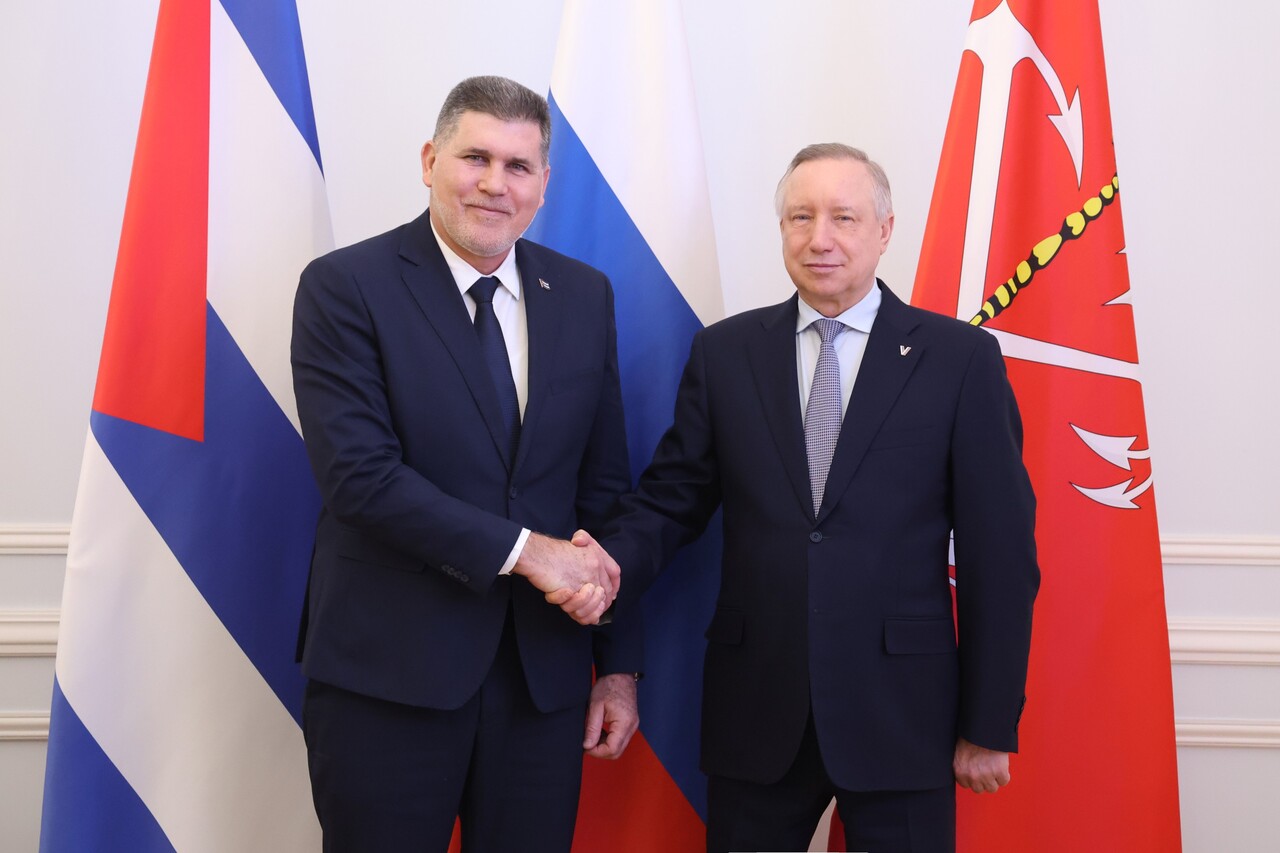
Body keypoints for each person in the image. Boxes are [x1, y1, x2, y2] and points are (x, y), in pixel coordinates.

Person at [596, 144, 1039, 852]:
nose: (819, 238)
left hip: (904, 716)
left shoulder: (959, 360)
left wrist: (988, 722)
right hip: (756, 709)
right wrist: (595, 563)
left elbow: (1001, 555)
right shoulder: (726, 353)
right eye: (800, 217)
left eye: (843, 217)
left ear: (885, 230)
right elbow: (671, 502)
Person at [291, 75, 641, 853]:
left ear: (543, 184)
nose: (494, 183)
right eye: (474, 157)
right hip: (388, 679)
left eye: (518, 166)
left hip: (542, 684)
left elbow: (604, 488)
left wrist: (617, 666)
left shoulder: (583, 295)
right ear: (430, 161)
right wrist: (530, 552)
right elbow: (360, 478)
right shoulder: (345, 287)